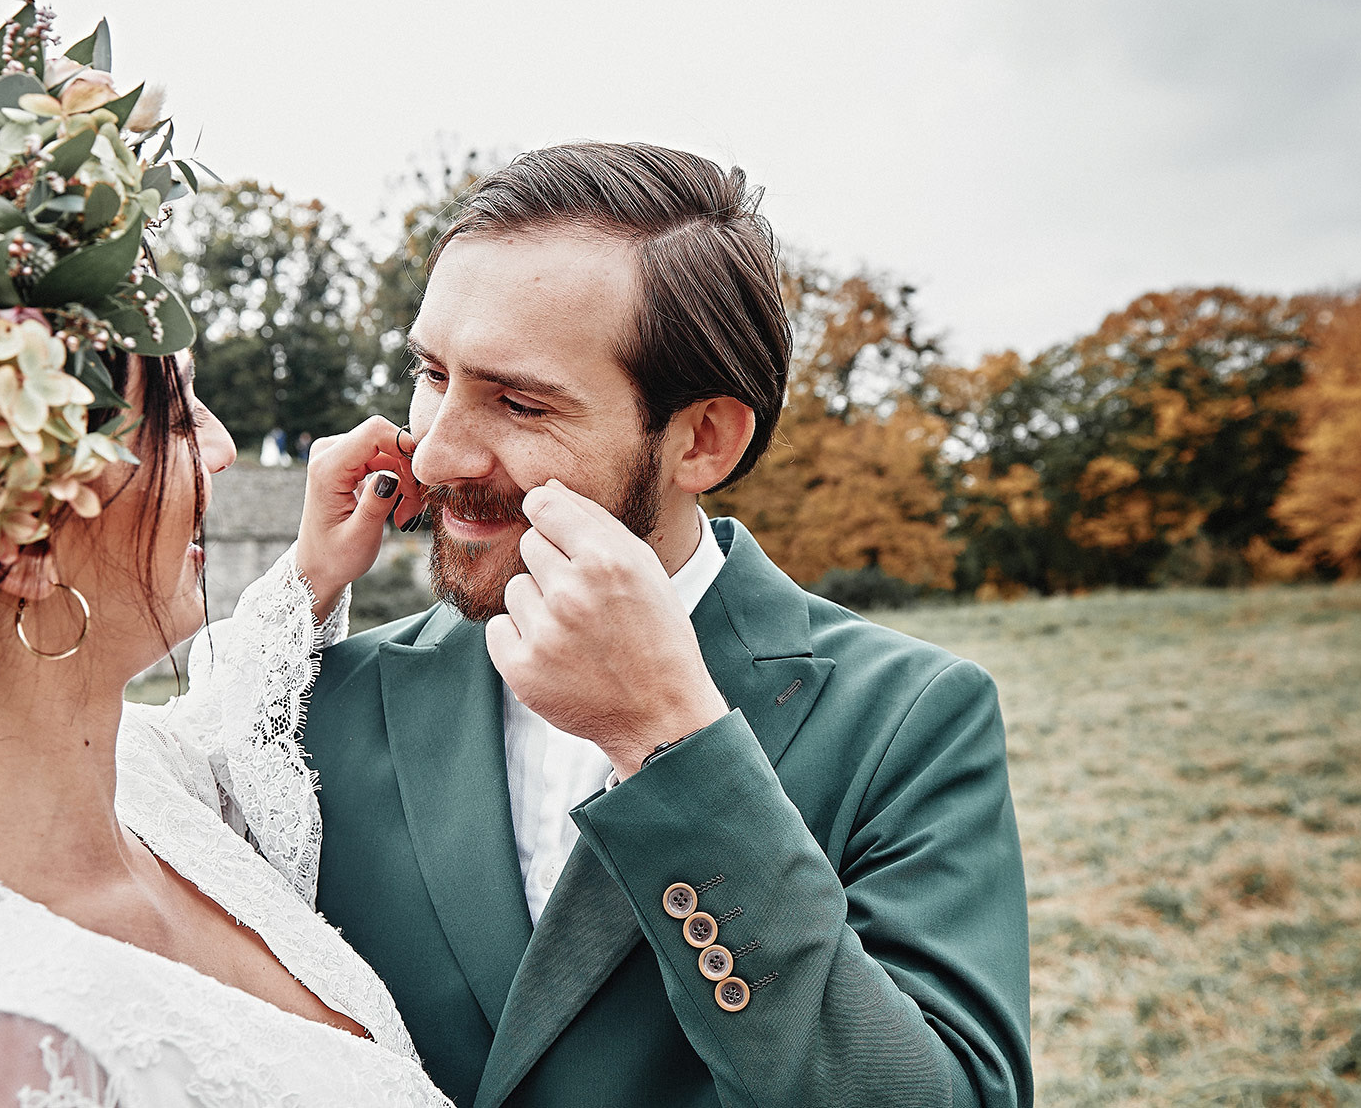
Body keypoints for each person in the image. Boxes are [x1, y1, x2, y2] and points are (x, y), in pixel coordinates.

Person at [0, 9, 445, 1106]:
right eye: (178, 413)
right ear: (24, 531)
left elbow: (220, 734)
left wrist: (308, 579)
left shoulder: (129, 782)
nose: (227, 450)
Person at [284, 143, 1034, 1107]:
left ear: (702, 439)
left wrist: (671, 742)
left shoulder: (913, 719)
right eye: (432, 373)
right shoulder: (326, 700)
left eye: (519, 400)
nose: (434, 453)